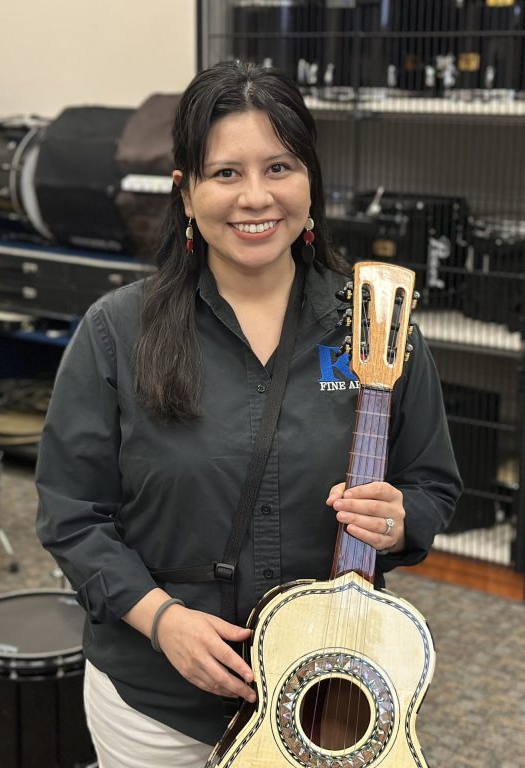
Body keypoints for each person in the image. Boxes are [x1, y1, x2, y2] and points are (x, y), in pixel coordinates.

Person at [35, 60, 461, 768]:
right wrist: (162, 620)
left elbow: (433, 484)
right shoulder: (117, 332)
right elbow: (71, 512)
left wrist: (400, 520)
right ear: (187, 191)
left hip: (328, 704)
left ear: (310, 185)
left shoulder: (376, 325)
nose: (255, 197)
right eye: (226, 173)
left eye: (280, 167)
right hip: (157, 701)